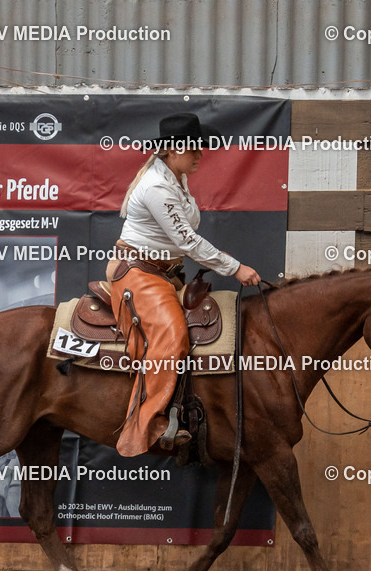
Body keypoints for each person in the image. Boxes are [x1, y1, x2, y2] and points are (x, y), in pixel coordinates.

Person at [107, 112, 261, 457]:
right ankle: (151, 423)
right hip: (140, 273)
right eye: (195, 150)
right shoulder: (157, 187)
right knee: (172, 336)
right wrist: (234, 268)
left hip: (163, 272)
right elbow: (189, 241)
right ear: (174, 150)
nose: (200, 155)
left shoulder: (174, 177)